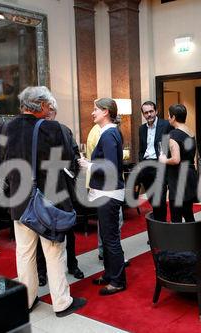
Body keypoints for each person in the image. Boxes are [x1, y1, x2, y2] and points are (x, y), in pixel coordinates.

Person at [0, 86, 86, 317]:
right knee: (54, 252)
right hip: (49, 200)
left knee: (24, 253)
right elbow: (67, 161)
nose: (51, 109)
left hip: (19, 199)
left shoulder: (6, 127)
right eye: (49, 105)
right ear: (42, 105)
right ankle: (61, 302)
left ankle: (27, 299)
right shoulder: (52, 128)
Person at [79, 97, 127, 295]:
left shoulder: (108, 135)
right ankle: (110, 274)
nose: (92, 112)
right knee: (107, 238)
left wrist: (88, 165)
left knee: (110, 238)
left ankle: (117, 281)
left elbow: (111, 167)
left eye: (95, 109)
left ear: (106, 111)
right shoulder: (109, 133)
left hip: (108, 192)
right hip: (107, 191)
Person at [35, 97, 85, 287]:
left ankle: (72, 264)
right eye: (46, 111)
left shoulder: (65, 130)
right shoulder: (35, 132)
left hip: (64, 188)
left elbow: (75, 156)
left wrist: (72, 176)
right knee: (42, 229)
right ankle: (41, 272)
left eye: (51, 112)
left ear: (54, 112)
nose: (48, 115)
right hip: (42, 190)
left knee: (69, 229)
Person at [159, 104, 197, 223]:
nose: (168, 118)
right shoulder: (190, 132)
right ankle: (193, 239)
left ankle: (178, 240)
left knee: (176, 215)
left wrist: (164, 160)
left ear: (173, 117)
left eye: (169, 115)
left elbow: (176, 159)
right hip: (189, 175)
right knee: (188, 212)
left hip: (179, 178)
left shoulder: (173, 135)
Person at [138, 101, 172, 221]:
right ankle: (159, 223)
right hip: (146, 167)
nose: (149, 115)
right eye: (146, 112)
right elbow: (141, 149)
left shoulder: (166, 125)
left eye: (151, 111)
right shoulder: (141, 129)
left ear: (156, 111)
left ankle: (160, 227)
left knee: (160, 198)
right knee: (152, 199)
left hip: (160, 166)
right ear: (143, 114)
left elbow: (171, 146)